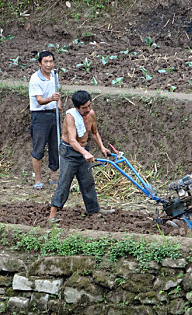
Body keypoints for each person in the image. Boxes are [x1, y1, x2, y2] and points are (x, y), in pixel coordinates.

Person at [49, 90, 114, 222]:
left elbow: (94, 133)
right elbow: (72, 140)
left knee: (87, 182)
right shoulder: (70, 118)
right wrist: (85, 153)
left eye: (89, 106)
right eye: (84, 108)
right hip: (69, 153)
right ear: (77, 107)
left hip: (83, 151)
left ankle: (93, 210)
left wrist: (102, 147)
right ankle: (52, 216)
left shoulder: (91, 114)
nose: (88, 109)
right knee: (64, 184)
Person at [28, 50, 61, 190]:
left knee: (55, 146)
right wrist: (51, 99)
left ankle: (54, 175)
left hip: (54, 114)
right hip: (40, 116)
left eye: (51, 61)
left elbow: (58, 93)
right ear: (39, 63)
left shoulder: (54, 75)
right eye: (46, 62)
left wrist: (58, 105)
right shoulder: (35, 79)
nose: (49, 64)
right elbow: (40, 100)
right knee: (39, 148)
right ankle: (38, 179)